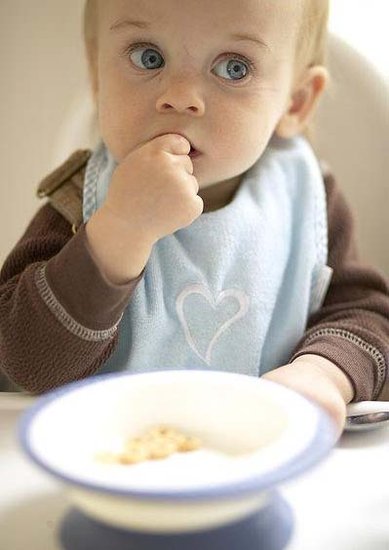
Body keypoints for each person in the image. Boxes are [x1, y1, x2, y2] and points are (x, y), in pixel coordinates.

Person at [1, 0, 388, 437]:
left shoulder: (307, 199)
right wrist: (119, 231)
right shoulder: (79, 201)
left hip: (263, 457)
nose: (181, 97)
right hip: (114, 460)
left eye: (235, 68)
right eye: (148, 56)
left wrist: (324, 373)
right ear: (96, 75)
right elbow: (25, 361)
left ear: (294, 102)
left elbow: (367, 316)